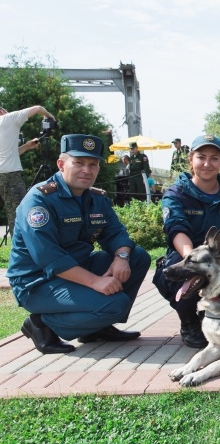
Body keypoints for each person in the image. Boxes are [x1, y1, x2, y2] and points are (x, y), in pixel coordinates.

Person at [7, 134, 151, 354]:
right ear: (61, 164)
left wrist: (121, 257)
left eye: (92, 164)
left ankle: (96, 328)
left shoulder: (96, 198)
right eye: (79, 163)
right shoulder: (39, 200)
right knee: (116, 303)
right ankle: (41, 324)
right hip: (37, 281)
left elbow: (116, 233)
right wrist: (95, 282)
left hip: (76, 269)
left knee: (137, 256)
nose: (86, 170)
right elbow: (48, 257)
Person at [153, 135, 220, 348]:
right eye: (201, 157)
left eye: (214, 158)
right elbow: (175, 228)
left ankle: (216, 314)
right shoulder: (176, 193)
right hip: (185, 256)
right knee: (184, 273)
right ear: (191, 159)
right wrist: (194, 263)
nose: (207, 164)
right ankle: (189, 322)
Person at [0, 105, 56, 237]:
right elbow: (38, 108)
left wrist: (26, 146)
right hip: (9, 176)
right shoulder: (8, 119)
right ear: (2, 111)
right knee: (17, 214)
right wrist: (49, 116)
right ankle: (20, 251)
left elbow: (7, 154)